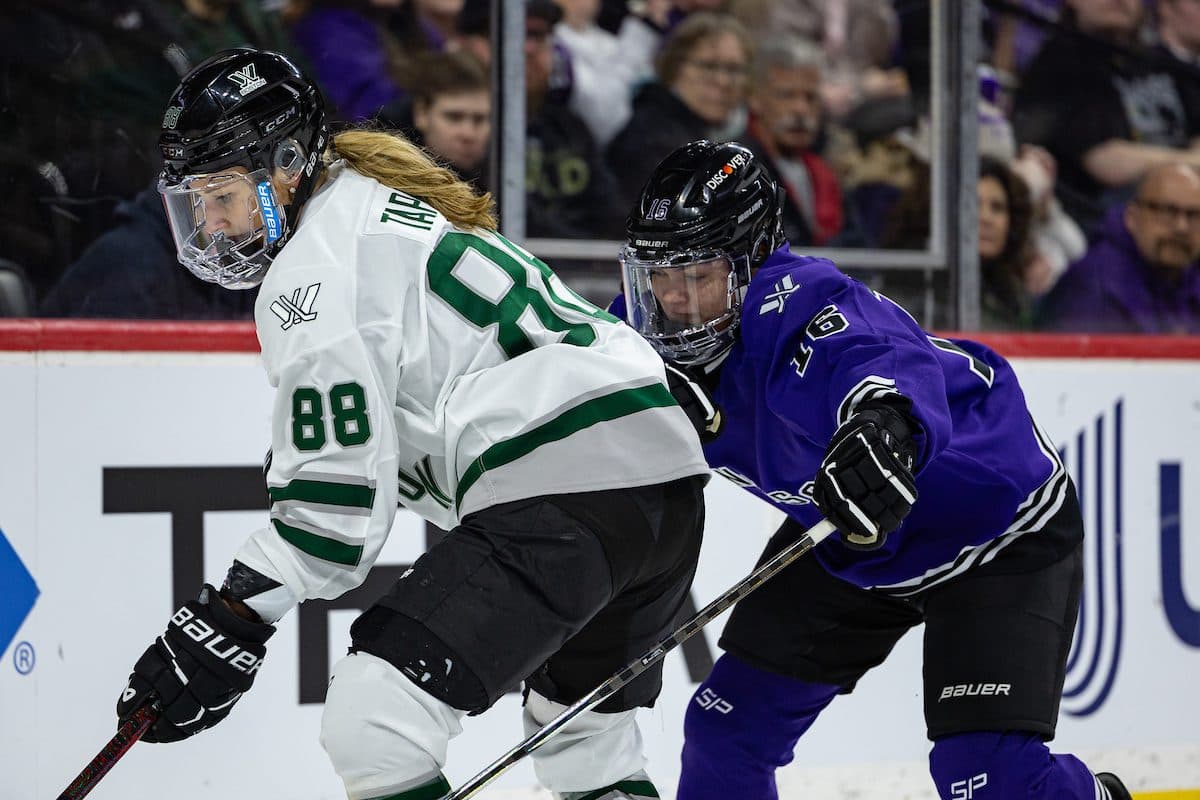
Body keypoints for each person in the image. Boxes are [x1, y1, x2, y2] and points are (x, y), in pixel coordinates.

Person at [114, 47, 712, 800]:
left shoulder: (314, 269)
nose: (209, 220)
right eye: (195, 200)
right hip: (664, 491)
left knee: (374, 721)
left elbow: (333, 513)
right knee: (586, 743)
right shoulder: (373, 202)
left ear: (287, 166)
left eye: (221, 193)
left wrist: (232, 615)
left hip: (570, 491)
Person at [611, 139, 1133, 800]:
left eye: (695, 274)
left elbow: (883, 361)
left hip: (996, 527)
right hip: (851, 534)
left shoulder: (801, 306)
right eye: (656, 274)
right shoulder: (639, 336)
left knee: (983, 776)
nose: (670, 298)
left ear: (752, 262)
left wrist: (884, 426)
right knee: (725, 735)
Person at [1012, 0, 1200, 230]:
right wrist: (1188, 163)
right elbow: (1107, 163)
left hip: (1173, 199)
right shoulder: (1061, 59)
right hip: (1096, 217)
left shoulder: (1154, 59)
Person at [605, 12, 754, 210]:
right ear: (674, 68)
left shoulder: (742, 142)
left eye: (734, 69)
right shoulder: (648, 139)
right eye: (708, 66)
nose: (723, 81)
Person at [1039, 162, 1200, 333]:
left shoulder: (1191, 274)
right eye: (1167, 211)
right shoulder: (1096, 287)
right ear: (1132, 216)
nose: (1182, 227)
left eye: (1195, 215)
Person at [742, 33, 844, 246]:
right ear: (755, 99)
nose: (801, 109)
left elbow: (857, 244)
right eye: (787, 95)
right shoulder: (738, 173)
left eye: (810, 97)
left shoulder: (825, 174)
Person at [406, 50, 491, 188]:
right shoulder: (385, 176)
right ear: (421, 114)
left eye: (479, 119)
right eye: (454, 117)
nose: (468, 134)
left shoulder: (505, 176)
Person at [977, 155, 1036, 330]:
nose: (986, 218)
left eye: (997, 207)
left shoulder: (1017, 296)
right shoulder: (927, 293)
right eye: (973, 205)